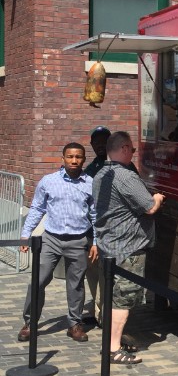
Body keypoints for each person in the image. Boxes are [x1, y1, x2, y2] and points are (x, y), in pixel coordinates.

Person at [92, 131, 165, 365]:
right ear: (124, 148)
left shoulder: (101, 173)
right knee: (124, 299)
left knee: (113, 297)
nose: (133, 154)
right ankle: (113, 350)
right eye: (132, 150)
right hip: (127, 249)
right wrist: (159, 197)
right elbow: (149, 207)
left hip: (110, 245)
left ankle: (111, 340)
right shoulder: (125, 176)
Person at [17, 142, 97, 343]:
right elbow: (37, 208)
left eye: (78, 157)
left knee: (76, 285)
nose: (74, 160)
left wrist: (96, 241)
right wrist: (26, 234)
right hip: (51, 239)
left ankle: (74, 324)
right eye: (70, 156)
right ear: (63, 158)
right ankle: (30, 322)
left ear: (83, 160)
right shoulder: (48, 181)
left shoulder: (90, 183)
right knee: (38, 280)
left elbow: (96, 215)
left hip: (78, 240)